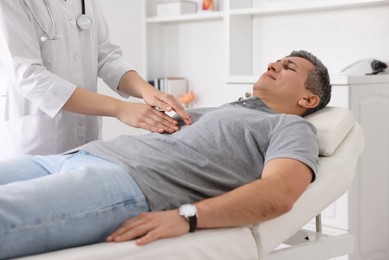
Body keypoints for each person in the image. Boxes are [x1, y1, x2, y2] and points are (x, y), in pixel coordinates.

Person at [0, 50, 331, 259]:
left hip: (128, 182)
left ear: (308, 100)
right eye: (278, 59)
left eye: (288, 67)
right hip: (76, 156)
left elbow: (280, 193)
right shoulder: (219, 110)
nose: (273, 63)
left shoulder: (291, 128)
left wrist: (186, 215)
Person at [0, 0, 192, 160]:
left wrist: (147, 91)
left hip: (88, 146)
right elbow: (30, 77)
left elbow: (107, 57)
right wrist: (118, 108)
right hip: (36, 145)